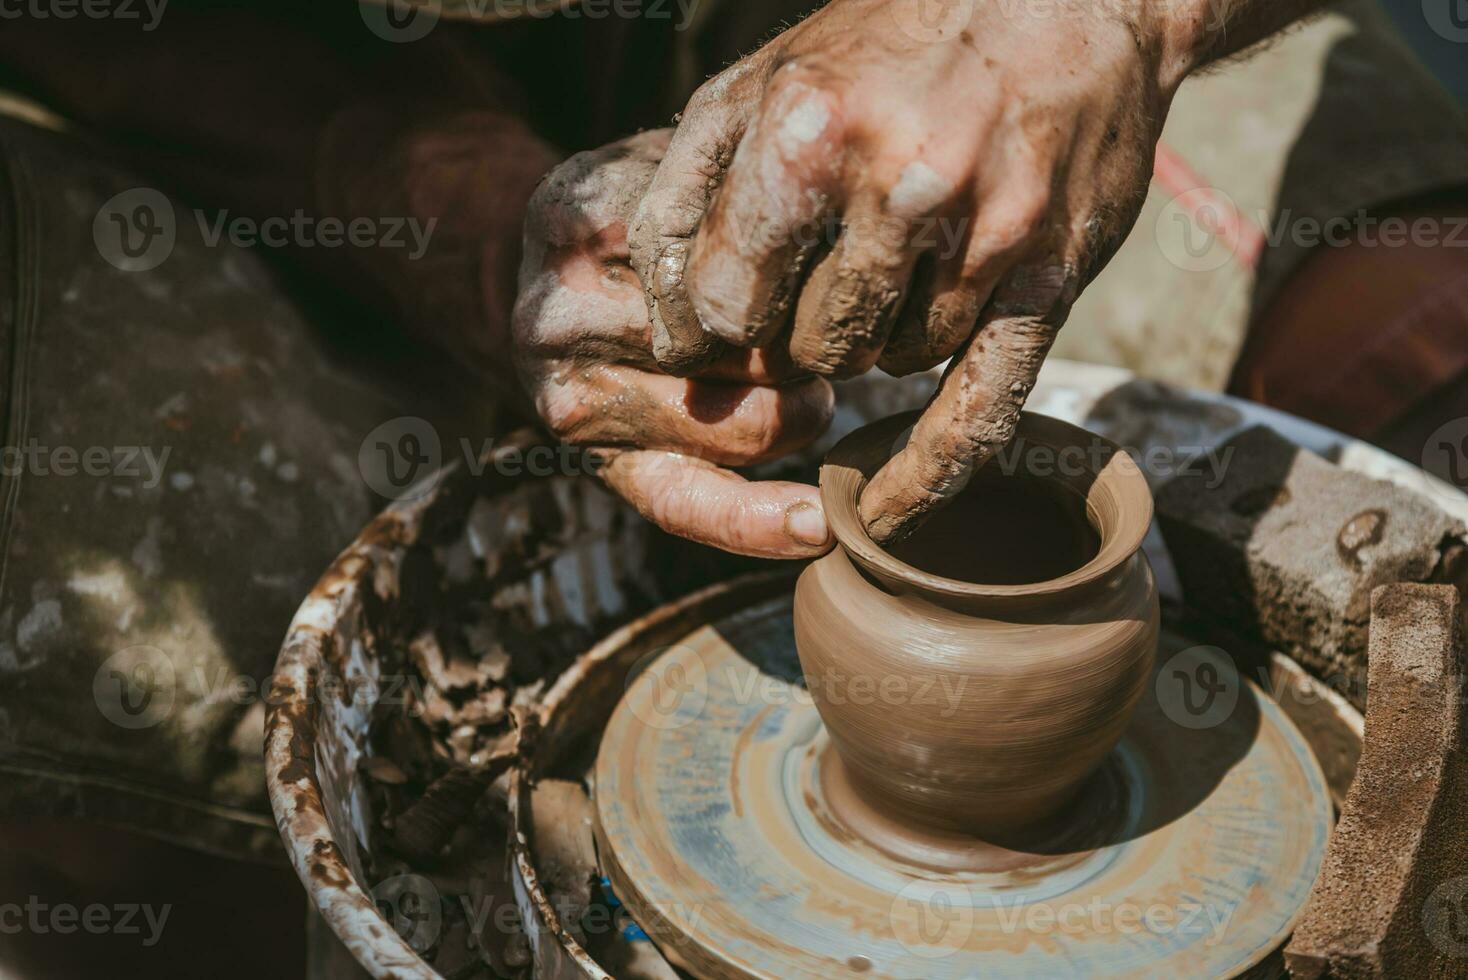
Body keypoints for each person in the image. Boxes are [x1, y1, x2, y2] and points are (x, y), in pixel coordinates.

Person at [0, 0, 1464, 975]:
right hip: (260, 60)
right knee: (180, 644)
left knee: (1421, 317)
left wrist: (1119, 22)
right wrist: (442, 203)